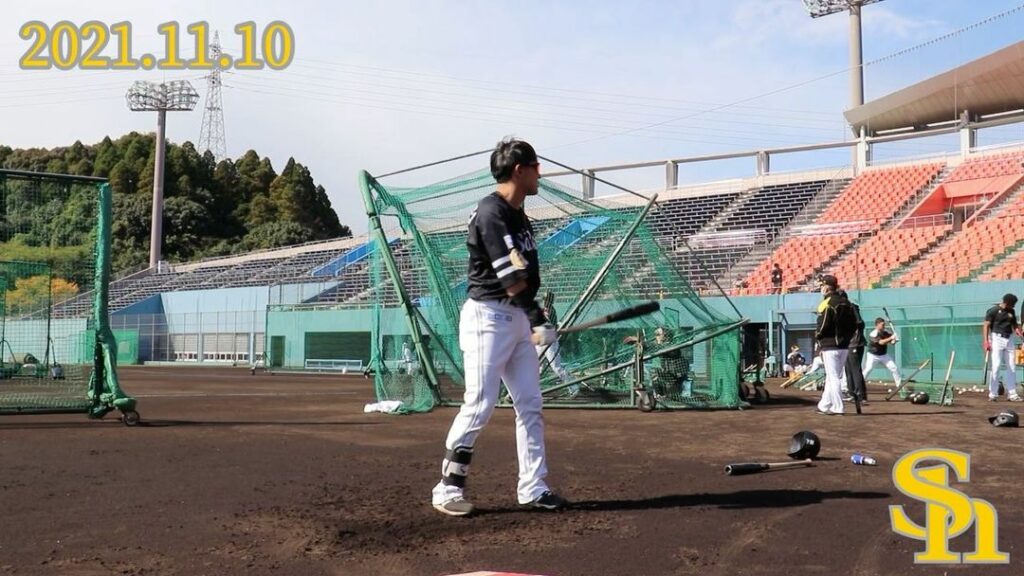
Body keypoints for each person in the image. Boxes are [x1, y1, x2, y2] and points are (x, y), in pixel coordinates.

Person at [431, 138, 568, 517]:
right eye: (536, 167)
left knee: (531, 404)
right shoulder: (491, 212)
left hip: (517, 317)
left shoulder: (519, 214)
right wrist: (537, 317)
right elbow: (509, 277)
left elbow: (523, 275)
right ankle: (447, 488)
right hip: (488, 318)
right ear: (519, 171)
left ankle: (534, 487)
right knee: (480, 403)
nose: (540, 174)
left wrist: (532, 317)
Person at [814, 275, 856, 415]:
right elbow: (855, 324)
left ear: (827, 287)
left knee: (833, 377)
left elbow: (823, 324)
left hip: (830, 345)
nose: (821, 288)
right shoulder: (847, 303)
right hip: (844, 345)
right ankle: (824, 405)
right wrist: (847, 339)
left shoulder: (827, 303)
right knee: (833, 376)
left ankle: (838, 407)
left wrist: (818, 336)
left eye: (822, 285)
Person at [983, 293, 1023, 402]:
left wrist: (1017, 330)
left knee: (1012, 366)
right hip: (997, 338)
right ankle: (993, 394)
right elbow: (986, 325)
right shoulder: (993, 311)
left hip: (1009, 339)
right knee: (996, 366)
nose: (1013, 306)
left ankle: (1012, 394)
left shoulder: (1011, 311)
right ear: (1006, 303)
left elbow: (1014, 324)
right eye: (1012, 304)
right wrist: (986, 341)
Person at [536, 292, 578, 397]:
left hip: (549, 342)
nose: (545, 302)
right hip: (541, 342)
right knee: (537, 367)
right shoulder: (544, 310)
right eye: (545, 300)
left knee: (557, 367)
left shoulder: (550, 311)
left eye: (547, 300)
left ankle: (574, 386)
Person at [862, 317, 902, 395]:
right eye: (882, 325)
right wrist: (891, 337)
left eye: (884, 324)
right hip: (873, 355)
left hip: (884, 355)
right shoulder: (873, 334)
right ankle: (860, 385)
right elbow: (881, 342)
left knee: (894, 368)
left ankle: (899, 386)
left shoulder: (885, 332)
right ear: (877, 325)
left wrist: (894, 340)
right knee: (868, 369)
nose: (884, 326)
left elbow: (891, 342)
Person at [843, 294, 868, 403]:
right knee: (849, 370)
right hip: (849, 343)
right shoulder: (847, 309)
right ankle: (852, 393)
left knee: (855, 369)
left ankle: (860, 395)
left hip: (854, 343)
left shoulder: (851, 308)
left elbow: (859, 323)